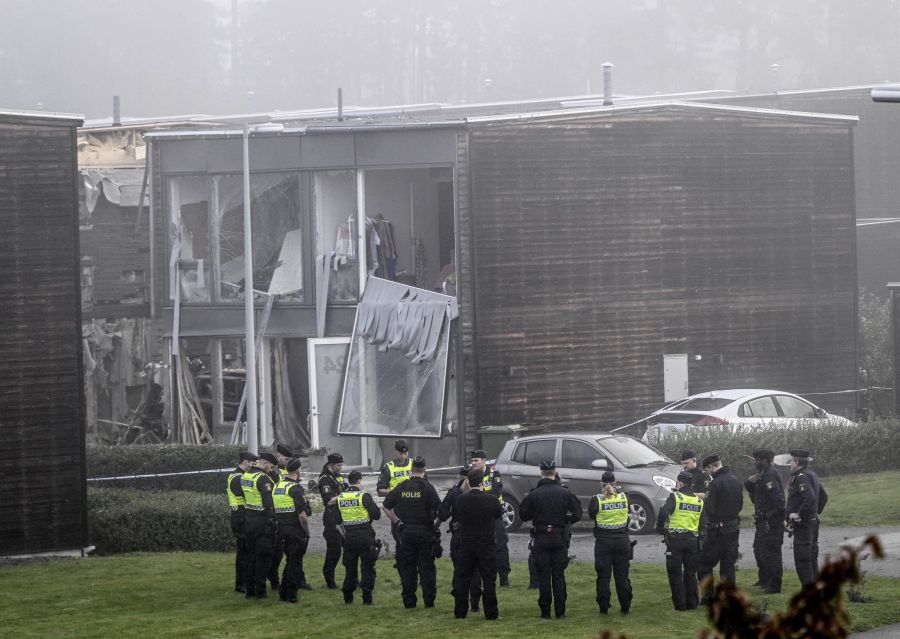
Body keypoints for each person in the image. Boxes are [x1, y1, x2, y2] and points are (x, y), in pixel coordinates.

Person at [519, 459, 583, 619]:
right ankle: (560, 611)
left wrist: (537, 514)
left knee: (544, 575)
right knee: (559, 574)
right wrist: (565, 519)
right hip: (559, 537)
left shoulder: (534, 494)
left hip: (540, 536)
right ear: (555, 472)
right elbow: (577, 513)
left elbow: (523, 515)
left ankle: (545, 611)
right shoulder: (565, 492)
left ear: (541, 472)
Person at [383, 456, 441, 609]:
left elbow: (386, 507)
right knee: (427, 567)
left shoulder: (401, 487)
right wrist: (435, 526)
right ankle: (429, 601)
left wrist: (397, 522)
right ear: (425, 470)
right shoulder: (428, 488)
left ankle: (409, 601)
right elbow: (440, 510)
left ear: (411, 470)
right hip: (425, 532)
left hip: (406, 531)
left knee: (408, 567)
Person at [450, 467, 503, 620]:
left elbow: (456, 517)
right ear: (482, 483)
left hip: (466, 544)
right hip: (486, 544)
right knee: (488, 580)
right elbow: (498, 516)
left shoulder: (461, 500)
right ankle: (491, 613)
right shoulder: (492, 500)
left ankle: (460, 612)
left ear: (468, 481)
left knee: (463, 579)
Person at [656, 470, 706, 611]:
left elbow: (664, 512)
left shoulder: (675, 497)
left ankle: (680, 605)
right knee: (690, 573)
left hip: (676, 540)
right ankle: (692, 603)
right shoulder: (698, 501)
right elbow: (702, 523)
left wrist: (660, 529)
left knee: (675, 573)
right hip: (693, 541)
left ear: (681, 483)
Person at [698, 454, 744, 602]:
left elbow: (710, 509)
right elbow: (740, 505)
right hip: (733, 527)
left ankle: (708, 595)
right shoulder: (736, 481)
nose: (708, 472)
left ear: (712, 466)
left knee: (705, 563)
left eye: (708, 469)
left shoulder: (715, 484)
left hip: (718, 530)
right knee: (728, 564)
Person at [438, 465, 483, 612]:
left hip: (459, 536)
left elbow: (442, 514)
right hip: (476, 536)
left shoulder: (454, 494)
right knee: (475, 570)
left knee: (459, 571)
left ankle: (460, 603)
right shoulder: (482, 494)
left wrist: (450, 513)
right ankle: (475, 603)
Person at [589, 470, 633, 616]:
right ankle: (625, 607)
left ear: (601, 484)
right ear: (615, 483)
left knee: (603, 576)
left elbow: (591, 515)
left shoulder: (597, 499)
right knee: (622, 576)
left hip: (603, 542)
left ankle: (603, 608)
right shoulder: (624, 497)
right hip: (622, 541)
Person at [336, 470, 381, 605]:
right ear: (359, 481)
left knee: (350, 568)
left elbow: (337, 519)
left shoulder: (341, 497)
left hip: (349, 537)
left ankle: (348, 597)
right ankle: (367, 598)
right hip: (365, 535)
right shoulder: (363, 496)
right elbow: (377, 514)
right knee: (367, 567)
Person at [744, 447, 785, 593]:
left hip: (770, 521)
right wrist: (750, 480)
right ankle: (764, 579)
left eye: (758, 459)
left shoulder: (770, 476)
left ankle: (775, 585)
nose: (755, 462)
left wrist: (777, 519)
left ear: (766, 460)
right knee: (759, 549)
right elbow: (751, 488)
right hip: (762, 520)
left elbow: (779, 501)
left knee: (772, 552)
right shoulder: (763, 474)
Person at [786, 447, 828, 587]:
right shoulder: (812, 474)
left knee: (802, 560)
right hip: (812, 522)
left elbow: (809, 498)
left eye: (792, 461)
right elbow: (823, 497)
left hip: (804, 525)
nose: (790, 464)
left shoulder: (802, 477)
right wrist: (814, 513)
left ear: (797, 462)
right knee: (811, 558)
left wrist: (799, 514)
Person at [469, 449, 511, 587]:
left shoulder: (494, 474)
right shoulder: (470, 475)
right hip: (478, 516)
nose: (473, 463)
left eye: (476, 460)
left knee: (501, 545)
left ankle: (504, 578)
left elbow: (496, 492)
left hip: (495, 515)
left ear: (484, 461)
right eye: (472, 461)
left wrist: (480, 495)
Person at [273, 457, 311, 603]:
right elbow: (302, 515)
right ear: (297, 470)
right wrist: (306, 531)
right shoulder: (295, 489)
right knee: (294, 563)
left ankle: (283, 591)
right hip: (294, 530)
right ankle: (290, 594)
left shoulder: (278, 486)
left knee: (290, 561)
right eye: (301, 469)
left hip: (281, 528)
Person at [240, 451, 277, 599]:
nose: (271, 469)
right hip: (262, 522)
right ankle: (260, 591)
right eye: (271, 466)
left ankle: (249, 590)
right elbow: (269, 503)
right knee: (264, 557)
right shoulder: (263, 479)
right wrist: (273, 519)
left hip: (249, 519)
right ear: (265, 463)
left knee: (251, 556)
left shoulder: (246, 475)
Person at [377, 439, 413, 572]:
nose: (403, 456)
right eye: (400, 454)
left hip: (414, 506)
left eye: (405, 453)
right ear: (395, 452)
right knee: (400, 541)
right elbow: (380, 491)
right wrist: (395, 491)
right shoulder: (388, 467)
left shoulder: (414, 464)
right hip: (397, 509)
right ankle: (403, 568)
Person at [226, 450, 256, 594]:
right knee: (244, 553)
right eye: (251, 463)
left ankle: (245, 582)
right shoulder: (238, 478)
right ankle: (241, 584)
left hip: (241, 516)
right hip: (241, 517)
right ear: (245, 462)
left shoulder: (238, 475)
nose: (252, 465)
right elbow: (247, 495)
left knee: (246, 551)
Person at [318, 452, 348, 589]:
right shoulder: (325, 479)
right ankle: (329, 578)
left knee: (349, 550)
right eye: (338, 465)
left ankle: (351, 578)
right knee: (334, 551)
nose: (340, 468)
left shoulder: (338, 477)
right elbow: (329, 501)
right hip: (332, 519)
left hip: (343, 517)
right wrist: (344, 495)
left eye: (341, 465)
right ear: (330, 465)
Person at [268, 442, 294, 591]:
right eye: (286, 459)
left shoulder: (285, 470)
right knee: (276, 550)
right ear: (279, 456)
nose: (287, 462)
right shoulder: (274, 471)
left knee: (285, 550)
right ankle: (273, 577)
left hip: (286, 514)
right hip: (277, 514)